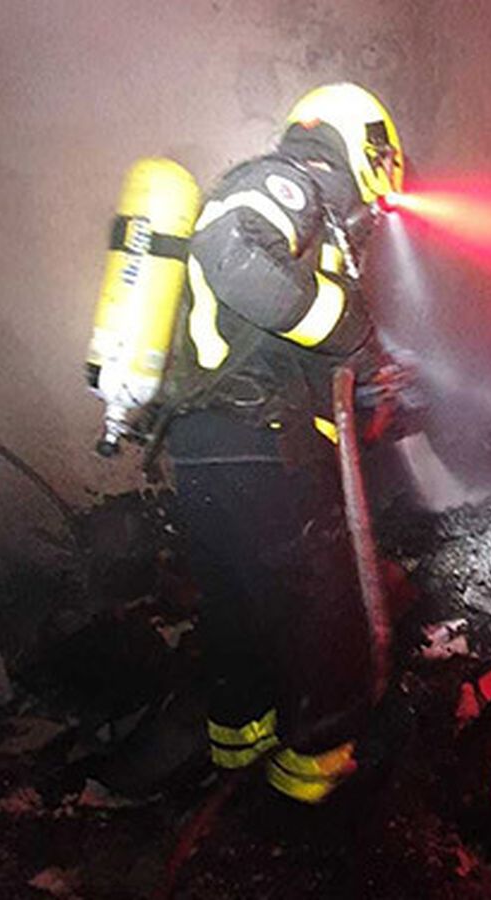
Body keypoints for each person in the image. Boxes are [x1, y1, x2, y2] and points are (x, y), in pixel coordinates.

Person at [164, 83, 405, 803]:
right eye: (384, 156)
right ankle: (318, 765)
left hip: (209, 446)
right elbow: (228, 251)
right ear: (358, 140)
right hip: (262, 446)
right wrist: (349, 331)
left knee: (237, 598)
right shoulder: (288, 182)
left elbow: (281, 337)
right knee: (319, 599)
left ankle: (242, 739)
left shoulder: (317, 222)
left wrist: (365, 385)